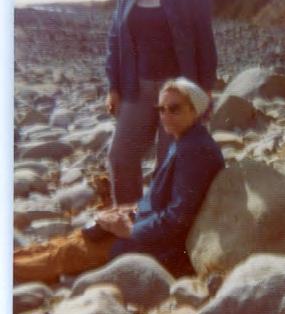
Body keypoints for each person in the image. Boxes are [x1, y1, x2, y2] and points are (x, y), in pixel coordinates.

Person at [14, 78, 224, 283]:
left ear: (195, 110)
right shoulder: (186, 140)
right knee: (73, 239)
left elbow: (178, 218)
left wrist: (130, 230)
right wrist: (127, 212)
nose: (166, 115)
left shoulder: (194, 151)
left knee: (67, 252)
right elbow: (163, 201)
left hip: (159, 246)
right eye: (161, 109)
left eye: (174, 109)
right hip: (147, 227)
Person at [105, 0, 217, 206]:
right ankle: (129, 216)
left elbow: (205, 41)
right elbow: (115, 40)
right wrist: (113, 87)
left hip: (179, 89)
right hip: (136, 87)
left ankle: (159, 222)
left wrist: (205, 88)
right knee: (121, 157)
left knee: (170, 162)